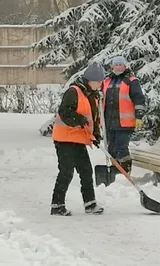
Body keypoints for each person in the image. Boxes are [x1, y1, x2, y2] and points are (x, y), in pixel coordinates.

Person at [50, 63, 105, 216]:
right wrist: (78, 119)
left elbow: (92, 119)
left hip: (78, 139)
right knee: (66, 171)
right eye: (99, 81)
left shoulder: (91, 95)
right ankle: (57, 205)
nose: (100, 84)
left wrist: (95, 135)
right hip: (64, 139)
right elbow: (64, 112)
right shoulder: (74, 92)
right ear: (90, 80)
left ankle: (90, 204)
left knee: (86, 171)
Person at [102, 56, 146, 174]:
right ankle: (115, 172)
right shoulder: (106, 82)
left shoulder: (131, 81)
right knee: (111, 149)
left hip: (124, 123)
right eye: (116, 64)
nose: (118, 67)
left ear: (125, 66)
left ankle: (125, 172)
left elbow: (139, 99)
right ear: (112, 66)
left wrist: (139, 116)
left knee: (121, 148)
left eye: (121, 64)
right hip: (109, 122)